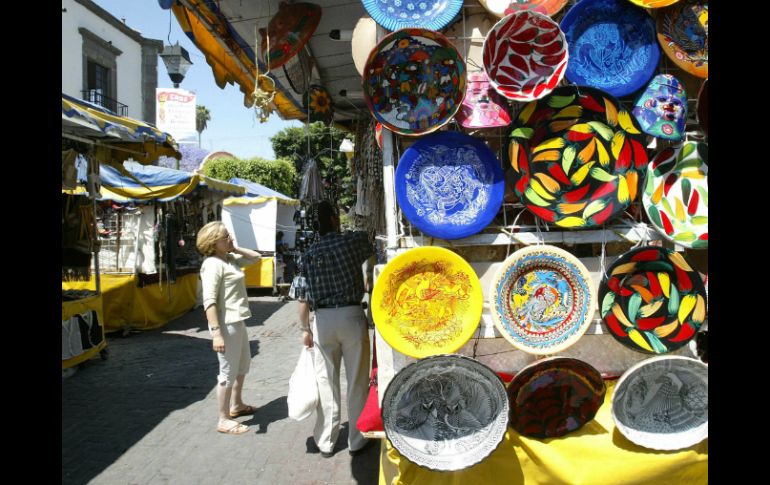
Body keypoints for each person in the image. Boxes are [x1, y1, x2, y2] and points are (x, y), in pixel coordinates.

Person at [298, 201, 374, 457]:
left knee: (326, 381)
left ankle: (326, 441)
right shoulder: (350, 242)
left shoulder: (308, 254)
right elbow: (370, 242)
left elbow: (302, 297)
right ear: (333, 219)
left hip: (322, 320)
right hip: (351, 315)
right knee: (357, 380)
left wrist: (304, 329)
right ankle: (357, 439)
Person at [196, 221, 262, 435]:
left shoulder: (229, 259)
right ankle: (223, 419)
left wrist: (234, 247)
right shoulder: (212, 265)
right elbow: (209, 302)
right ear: (213, 242)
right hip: (226, 324)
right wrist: (216, 333)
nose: (230, 237)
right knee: (227, 372)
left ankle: (237, 404)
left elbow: (256, 257)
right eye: (225, 236)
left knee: (242, 365)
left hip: (237, 320)